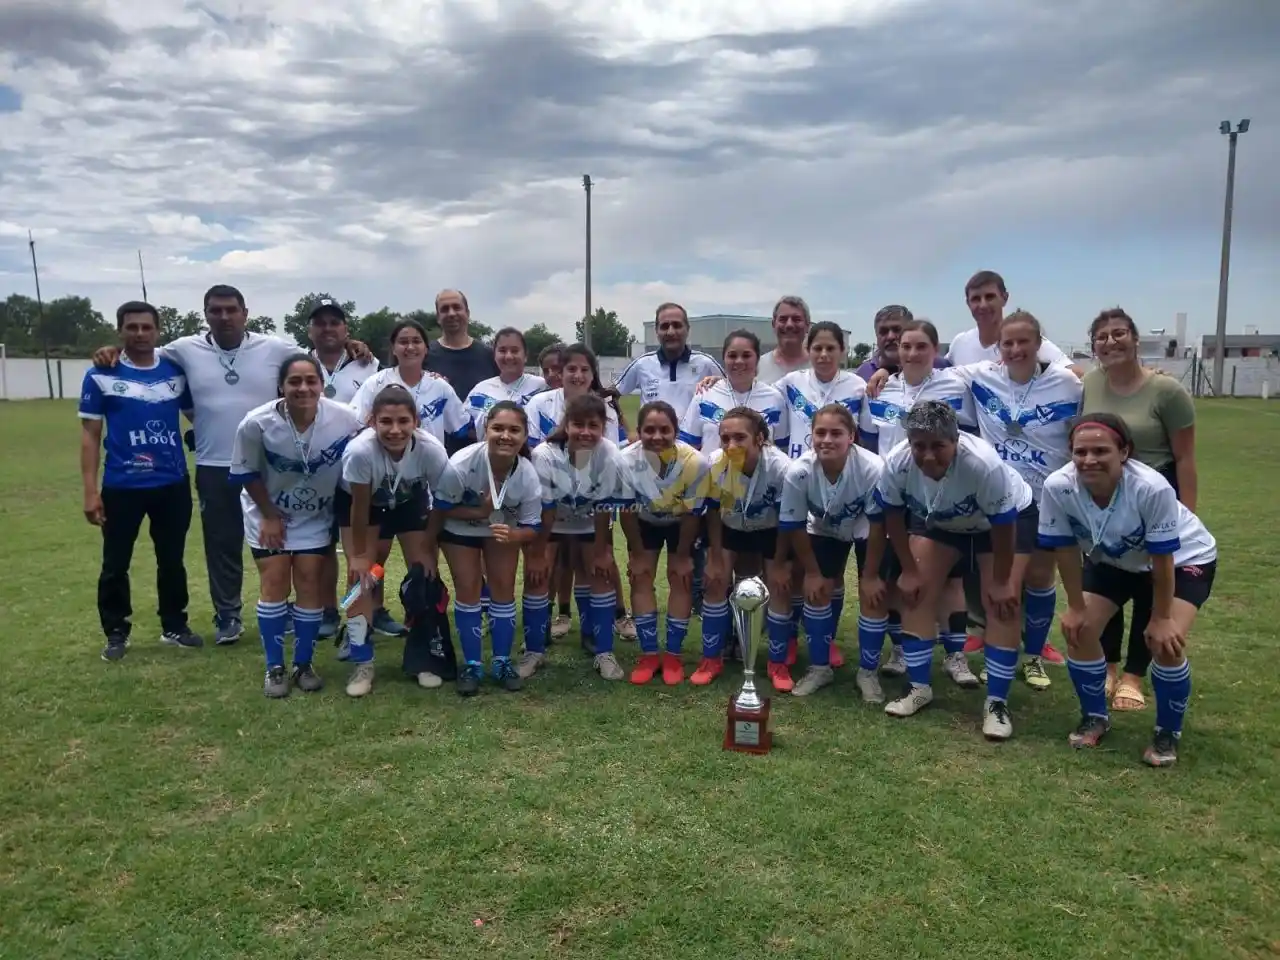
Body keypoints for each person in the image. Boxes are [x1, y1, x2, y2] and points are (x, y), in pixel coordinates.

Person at [91, 285, 371, 645]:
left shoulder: (274, 348)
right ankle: (228, 616)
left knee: (290, 538)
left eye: (231, 310)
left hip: (270, 466)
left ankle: (301, 608)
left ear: (245, 312)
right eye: (216, 310)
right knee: (222, 543)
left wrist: (352, 345)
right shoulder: (183, 349)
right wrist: (111, 350)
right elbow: (141, 351)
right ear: (206, 314)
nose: (224, 317)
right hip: (214, 462)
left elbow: (316, 355)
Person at [1038, 413, 1215, 768]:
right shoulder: (1058, 486)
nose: (1089, 460)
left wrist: (1162, 617)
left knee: (1165, 642)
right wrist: (1074, 606)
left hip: (1181, 560)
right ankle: (1095, 717)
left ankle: (1168, 732)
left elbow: (1163, 559)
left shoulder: (1151, 487)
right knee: (1080, 630)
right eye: (1080, 451)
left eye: (1101, 450)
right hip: (1115, 559)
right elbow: (1065, 550)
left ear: (1124, 452)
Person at [876, 402, 1036, 740]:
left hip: (1002, 523)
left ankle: (996, 703)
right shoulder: (897, 461)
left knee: (1001, 604)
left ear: (956, 440)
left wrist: (1004, 581)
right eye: (920, 445)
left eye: (938, 446)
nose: (928, 456)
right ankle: (919, 687)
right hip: (942, 521)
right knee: (915, 592)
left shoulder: (982, 463)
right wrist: (908, 569)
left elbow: (1004, 525)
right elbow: (892, 515)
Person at [952, 310, 1080, 689]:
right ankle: (1000, 651)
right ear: (998, 347)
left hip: (1047, 498)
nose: (1015, 349)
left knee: (1040, 577)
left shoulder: (1069, 385)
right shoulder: (979, 376)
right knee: (1002, 579)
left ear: (1040, 344)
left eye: (1024, 341)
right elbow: (930, 372)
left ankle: (1032, 656)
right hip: (1000, 500)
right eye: (1008, 342)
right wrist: (877, 372)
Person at [1080, 307, 1199, 712]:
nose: (1110, 342)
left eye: (1119, 334)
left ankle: (1134, 675)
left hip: (1155, 494)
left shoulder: (1166, 391)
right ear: (1093, 346)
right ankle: (1109, 666)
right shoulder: (1091, 381)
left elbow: (1185, 458)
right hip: (1101, 496)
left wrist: (1187, 513)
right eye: (1102, 337)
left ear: (1134, 339)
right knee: (1104, 576)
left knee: (1152, 586)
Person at [229, 354, 365, 698]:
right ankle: (275, 667)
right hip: (268, 511)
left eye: (311, 381)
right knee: (274, 580)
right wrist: (270, 515)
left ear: (322, 385)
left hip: (315, 515)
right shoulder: (256, 423)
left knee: (309, 582)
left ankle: (303, 663)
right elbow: (245, 471)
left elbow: (363, 449)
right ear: (281, 386)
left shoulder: (345, 419)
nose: (303, 388)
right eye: (294, 382)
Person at [859, 319, 979, 686]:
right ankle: (900, 648)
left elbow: (969, 436)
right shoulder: (881, 388)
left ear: (935, 349)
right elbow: (867, 439)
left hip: (943, 492)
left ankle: (955, 655)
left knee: (950, 580)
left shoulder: (956, 385)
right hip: (897, 493)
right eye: (905, 346)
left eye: (920, 346)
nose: (911, 353)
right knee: (899, 574)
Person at [79, 301, 201, 660]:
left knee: (172, 560)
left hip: (171, 484)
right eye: (131, 327)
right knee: (115, 562)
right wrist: (90, 491)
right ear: (120, 330)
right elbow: (89, 435)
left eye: (147, 327)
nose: (140, 334)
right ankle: (116, 631)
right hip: (122, 485)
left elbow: (199, 418)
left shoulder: (176, 374)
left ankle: (174, 626)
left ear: (158, 331)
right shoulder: (101, 374)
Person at [336, 384, 452, 697]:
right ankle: (362, 663)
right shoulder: (361, 451)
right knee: (361, 579)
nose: (395, 430)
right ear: (372, 421)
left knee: (425, 576)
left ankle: (423, 659)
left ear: (416, 421)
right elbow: (359, 507)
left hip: (408, 500)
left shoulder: (430, 449)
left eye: (403, 421)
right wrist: (360, 555)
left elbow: (440, 502)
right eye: (386, 421)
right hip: (364, 506)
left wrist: (429, 545)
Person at [526, 343, 636, 643]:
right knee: (554, 558)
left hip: (591, 500)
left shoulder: (605, 409)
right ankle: (552, 620)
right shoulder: (540, 404)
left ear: (592, 374)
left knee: (600, 556)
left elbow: (606, 453)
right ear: (559, 373)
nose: (577, 375)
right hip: (552, 495)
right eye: (571, 369)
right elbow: (537, 453)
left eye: (584, 369)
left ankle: (616, 616)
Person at [775, 321, 868, 669]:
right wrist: (711, 382)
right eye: (818, 348)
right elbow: (753, 398)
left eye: (832, 348)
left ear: (843, 351)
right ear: (808, 350)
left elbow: (867, 436)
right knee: (800, 566)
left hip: (843, 481)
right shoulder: (790, 383)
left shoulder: (859, 386)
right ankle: (791, 637)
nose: (825, 354)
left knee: (833, 569)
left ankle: (824, 639)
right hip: (803, 479)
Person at [434, 402, 544, 695]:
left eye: (514, 430)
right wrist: (478, 513)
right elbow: (440, 510)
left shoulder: (527, 475)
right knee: (468, 589)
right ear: (486, 430)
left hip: (502, 530)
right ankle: (471, 664)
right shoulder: (462, 462)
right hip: (460, 527)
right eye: (498, 428)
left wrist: (514, 535)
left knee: (503, 589)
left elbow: (534, 528)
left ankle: (501, 662)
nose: (505, 436)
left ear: (524, 436)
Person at [779, 404, 889, 698]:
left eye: (836, 433)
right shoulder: (799, 471)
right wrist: (813, 573)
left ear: (851, 436)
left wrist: (870, 575)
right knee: (817, 589)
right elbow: (795, 525)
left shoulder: (873, 468)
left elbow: (879, 527)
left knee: (873, 594)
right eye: (820, 432)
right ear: (811, 435)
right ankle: (819, 668)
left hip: (867, 525)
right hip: (825, 525)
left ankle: (868, 673)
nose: (827, 439)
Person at [529, 394, 631, 681]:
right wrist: (538, 555)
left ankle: (602, 650)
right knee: (539, 574)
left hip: (590, 522)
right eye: (578, 425)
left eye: (593, 426)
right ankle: (534, 649)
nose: (585, 432)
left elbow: (603, 509)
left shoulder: (609, 453)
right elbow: (545, 511)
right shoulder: (544, 454)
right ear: (566, 424)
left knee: (600, 572)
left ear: (603, 427)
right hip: (552, 521)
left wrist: (602, 551)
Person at [618, 402, 711, 685]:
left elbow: (693, 514)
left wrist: (683, 555)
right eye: (649, 430)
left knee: (680, 578)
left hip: (682, 523)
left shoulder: (695, 462)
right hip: (643, 521)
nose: (657, 436)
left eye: (664, 430)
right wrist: (635, 553)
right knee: (641, 576)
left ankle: (673, 654)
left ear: (676, 431)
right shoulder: (624, 460)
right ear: (639, 431)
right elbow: (626, 510)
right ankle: (648, 654)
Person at [700, 408, 793, 687]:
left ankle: (777, 665)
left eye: (740, 438)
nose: (731, 445)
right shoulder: (715, 463)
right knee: (715, 582)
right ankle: (711, 659)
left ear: (760, 439)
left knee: (779, 588)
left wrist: (778, 563)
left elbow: (788, 520)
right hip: (731, 528)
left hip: (772, 531)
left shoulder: (781, 467)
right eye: (724, 438)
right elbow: (713, 513)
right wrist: (715, 557)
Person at [306, 297, 378, 640]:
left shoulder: (369, 364)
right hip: (316, 469)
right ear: (310, 330)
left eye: (335, 322)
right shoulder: (299, 364)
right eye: (320, 323)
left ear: (346, 329)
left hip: (360, 472)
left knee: (364, 551)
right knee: (322, 546)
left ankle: (371, 610)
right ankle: (328, 610)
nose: (328, 328)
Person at [351, 318, 472, 451]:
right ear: (393, 349)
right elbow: (353, 424)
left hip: (429, 466)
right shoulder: (375, 384)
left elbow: (463, 428)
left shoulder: (440, 387)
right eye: (403, 342)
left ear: (426, 348)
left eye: (416, 341)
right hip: (384, 467)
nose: (410, 347)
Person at [945, 270, 1083, 373]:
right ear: (968, 303)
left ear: (1004, 298)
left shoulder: (1025, 343)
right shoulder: (960, 344)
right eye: (976, 299)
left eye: (989, 297)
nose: (983, 305)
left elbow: (1076, 373)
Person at [678, 329, 789, 454]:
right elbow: (687, 447)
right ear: (724, 359)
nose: (739, 361)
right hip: (712, 473)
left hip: (760, 473)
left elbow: (782, 449)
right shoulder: (705, 394)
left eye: (746, 355)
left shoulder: (774, 399)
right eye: (732, 355)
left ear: (757, 359)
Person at [614, 302, 724, 413]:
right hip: (654, 430)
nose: (670, 332)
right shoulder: (642, 364)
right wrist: (621, 427)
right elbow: (612, 395)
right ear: (656, 331)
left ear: (687, 329)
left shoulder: (706, 363)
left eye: (677, 325)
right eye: (664, 326)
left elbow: (732, 393)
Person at [464, 328, 547, 432]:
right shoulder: (480, 390)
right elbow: (466, 428)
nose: (508, 356)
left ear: (525, 355)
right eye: (502, 351)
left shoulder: (542, 386)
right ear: (494, 355)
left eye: (515, 351)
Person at [424, 289, 500, 400]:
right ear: (438, 317)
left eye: (456, 307)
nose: (451, 313)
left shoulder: (489, 356)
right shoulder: (425, 355)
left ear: (467, 313)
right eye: (445, 309)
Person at [854, 305, 951, 380]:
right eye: (883, 331)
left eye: (897, 329)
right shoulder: (862, 375)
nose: (890, 336)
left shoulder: (941, 367)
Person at [757, 296, 813, 384]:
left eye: (796, 319)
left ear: (807, 325)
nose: (789, 325)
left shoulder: (820, 369)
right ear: (773, 324)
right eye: (783, 319)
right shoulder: (756, 368)